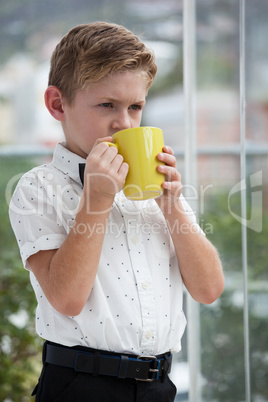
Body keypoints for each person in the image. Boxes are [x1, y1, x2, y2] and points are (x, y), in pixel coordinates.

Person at [9, 22, 224, 402]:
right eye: (107, 105)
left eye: (135, 107)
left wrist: (173, 207)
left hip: (159, 386)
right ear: (58, 104)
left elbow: (208, 290)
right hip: (80, 385)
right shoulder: (37, 188)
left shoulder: (159, 190)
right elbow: (68, 299)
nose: (123, 123)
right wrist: (96, 200)